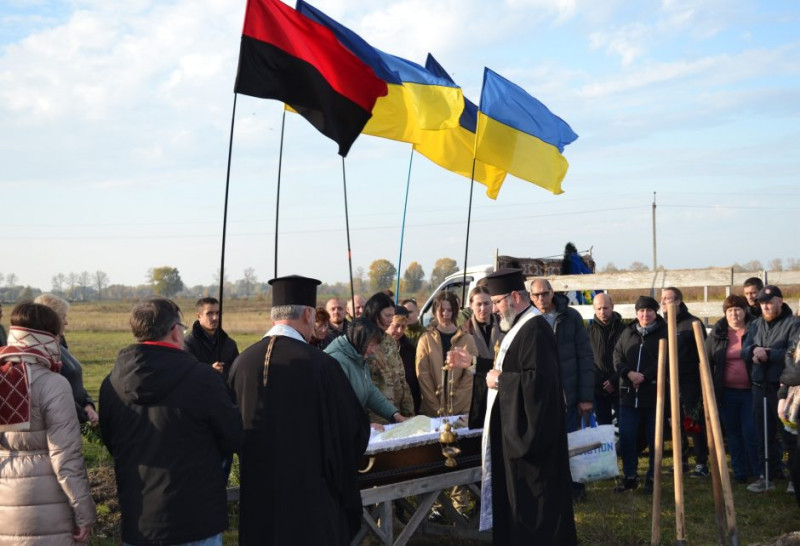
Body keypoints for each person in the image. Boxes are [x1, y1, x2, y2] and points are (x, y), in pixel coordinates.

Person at [228, 276, 370, 545]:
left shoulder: (242, 362)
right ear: (307, 314)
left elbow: (229, 427)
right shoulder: (321, 366)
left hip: (258, 494)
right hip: (309, 499)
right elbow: (351, 431)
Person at [100, 297, 243, 546]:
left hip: (140, 519)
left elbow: (112, 441)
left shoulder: (110, 383)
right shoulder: (203, 379)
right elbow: (232, 435)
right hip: (195, 519)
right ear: (176, 332)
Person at [468, 269, 576, 544]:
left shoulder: (535, 328)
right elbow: (509, 367)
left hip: (534, 442)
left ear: (515, 297)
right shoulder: (518, 326)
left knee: (536, 507)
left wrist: (500, 380)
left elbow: (538, 383)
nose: (494, 309)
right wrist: (475, 366)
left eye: (498, 301)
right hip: (515, 432)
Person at [0, 301, 96, 544]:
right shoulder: (53, 384)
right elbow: (65, 457)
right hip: (48, 506)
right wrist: (85, 514)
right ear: (49, 338)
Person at [529, 278, 594, 499]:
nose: (541, 299)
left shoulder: (570, 316)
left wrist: (585, 397)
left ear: (552, 292)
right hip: (541, 396)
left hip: (569, 394)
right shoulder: (528, 319)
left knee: (572, 443)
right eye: (536, 295)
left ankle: (575, 488)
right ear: (530, 297)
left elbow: (585, 357)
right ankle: (551, 490)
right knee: (545, 445)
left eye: (544, 294)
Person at [742, 285, 800, 492]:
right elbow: (745, 349)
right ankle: (767, 476)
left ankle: (795, 479)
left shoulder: (794, 324)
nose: (765, 306)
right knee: (763, 433)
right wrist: (754, 350)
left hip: (784, 388)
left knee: (789, 435)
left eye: (769, 302)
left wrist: (769, 353)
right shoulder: (756, 325)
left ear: (780, 301)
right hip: (760, 386)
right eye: (762, 303)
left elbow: (794, 353)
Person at [614, 296, 667, 494]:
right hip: (628, 395)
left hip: (654, 396)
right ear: (636, 313)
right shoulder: (627, 332)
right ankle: (630, 476)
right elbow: (617, 356)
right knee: (627, 437)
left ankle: (653, 478)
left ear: (656, 312)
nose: (645, 315)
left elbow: (667, 358)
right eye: (641, 311)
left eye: (649, 311)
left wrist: (645, 376)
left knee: (654, 438)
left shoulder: (664, 333)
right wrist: (629, 373)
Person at [706, 295, 759, 484]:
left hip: (751, 391)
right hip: (726, 392)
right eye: (729, 310)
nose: (734, 314)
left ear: (745, 311)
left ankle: (757, 469)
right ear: (725, 314)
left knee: (750, 431)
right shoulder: (718, 333)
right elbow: (707, 359)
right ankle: (739, 471)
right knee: (733, 433)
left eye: (737, 309)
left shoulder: (756, 330)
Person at [660, 286, 709, 478]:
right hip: (669, 381)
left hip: (689, 381)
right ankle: (681, 460)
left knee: (692, 421)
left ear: (678, 301)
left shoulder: (692, 324)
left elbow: (702, 355)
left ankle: (701, 462)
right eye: (662, 299)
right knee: (675, 422)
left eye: (668, 299)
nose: (664, 302)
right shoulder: (660, 325)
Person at [326, 317, 408, 428]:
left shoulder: (359, 356)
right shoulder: (337, 361)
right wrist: (364, 426)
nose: (374, 350)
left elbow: (369, 390)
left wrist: (394, 414)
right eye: (372, 345)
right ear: (359, 340)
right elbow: (338, 405)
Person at [33, 293, 99, 426]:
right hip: (57, 424)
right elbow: (55, 393)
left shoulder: (59, 344)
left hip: (71, 420)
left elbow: (74, 381)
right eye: (63, 317)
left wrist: (87, 404)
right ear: (52, 320)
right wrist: (82, 413)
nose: (66, 322)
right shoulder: (42, 351)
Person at [416, 291, 477, 418]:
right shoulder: (425, 339)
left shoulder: (468, 339)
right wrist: (436, 408)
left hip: (461, 411)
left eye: (449, 310)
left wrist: (453, 405)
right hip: (431, 412)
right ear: (435, 311)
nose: (445, 314)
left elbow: (469, 376)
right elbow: (423, 375)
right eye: (442, 310)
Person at [361, 293, 414, 423]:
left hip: (396, 416)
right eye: (387, 316)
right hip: (374, 420)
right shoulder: (361, 341)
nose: (390, 320)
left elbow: (402, 380)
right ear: (375, 314)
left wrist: (409, 414)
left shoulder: (390, 341)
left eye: (392, 315)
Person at [463, 285, 504, 429]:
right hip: (476, 394)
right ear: (470, 305)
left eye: (487, 303)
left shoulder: (504, 327)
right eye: (478, 304)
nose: (483, 309)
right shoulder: (464, 332)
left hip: (501, 390)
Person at [588, 293, 624, 426]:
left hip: (620, 387)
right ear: (594, 309)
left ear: (612, 307)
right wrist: (603, 382)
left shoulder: (625, 331)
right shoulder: (588, 332)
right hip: (598, 389)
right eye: (599, 309)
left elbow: (627, 359)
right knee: (603, 430)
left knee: (624, 428)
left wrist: (613, 381)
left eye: (605, 308)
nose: (602, 312)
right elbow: (587, 360)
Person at [183, 296, 239, 378]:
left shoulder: (229, 344)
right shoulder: (188, 344)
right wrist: (209, 370)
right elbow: (185, 374)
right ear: (199, 316)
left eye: (218, 313)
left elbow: (236, 375)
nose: (215, 318)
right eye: (210, 313)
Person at [387, 306, 421, 414]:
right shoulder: (377, 347)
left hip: (406, 403)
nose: (399, 331)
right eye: (396, 326)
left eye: (403, 327)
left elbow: (413, 378)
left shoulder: (409, 348)